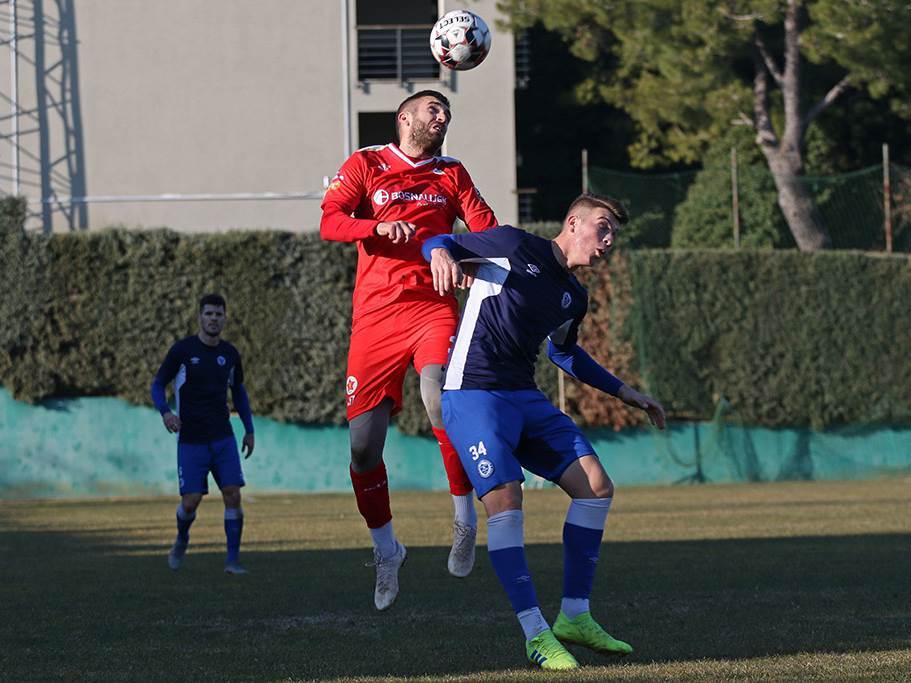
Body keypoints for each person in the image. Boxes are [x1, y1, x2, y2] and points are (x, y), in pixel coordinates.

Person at [421, 194, 667, 670]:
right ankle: (535, 633)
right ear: (573, 223)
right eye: (603, 227)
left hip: (522, 396)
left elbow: (564, 353)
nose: (609, 240)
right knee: (506, 498)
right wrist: (441, 252)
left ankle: (574, 616)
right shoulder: (512, 244)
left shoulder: (574, 297)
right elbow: (438, 239)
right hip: (471, 393)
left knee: (595, 486)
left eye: (614, 232)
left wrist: (626, 392)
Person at [320, 90, 498, 610]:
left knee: (440, 394)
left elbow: (487, 230)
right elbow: (330, 221)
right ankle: (387, 550)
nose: (441, 118)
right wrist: (376, 225)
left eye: (447, 113)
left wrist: (458, 254)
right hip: (374, 319)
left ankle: (464, 517)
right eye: (432, 110)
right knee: (362, 448)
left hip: (432, 307)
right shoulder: (367, 163)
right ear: (405, 118)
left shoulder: (451, 173)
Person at [151, 293, 255, 575]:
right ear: (199, 317)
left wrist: (249, 429)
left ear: (225, 318)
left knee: (233, 494)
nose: (213, 319)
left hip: (223, 437)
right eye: (208, 314)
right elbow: (158, 384)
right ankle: (182, 537)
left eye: (218, 314)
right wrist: (166, 412)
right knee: (190, 501)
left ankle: (232, 561)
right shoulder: (182, 351)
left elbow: (240, 393)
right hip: (191, 439)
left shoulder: (230, 354)